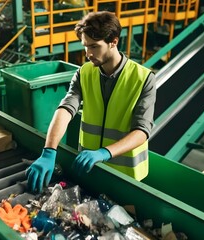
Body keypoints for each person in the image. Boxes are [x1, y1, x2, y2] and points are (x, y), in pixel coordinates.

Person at [26, 11, 157, 192]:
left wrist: (104, 152)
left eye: (94, 46)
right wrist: (49, 150)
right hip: (90, 169)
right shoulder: (84, 73)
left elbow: (142, 131)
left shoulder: (143, 78)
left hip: (126, 178)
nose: (88, 53)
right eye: (85, 46)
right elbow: (65, 109)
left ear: (114, 42)